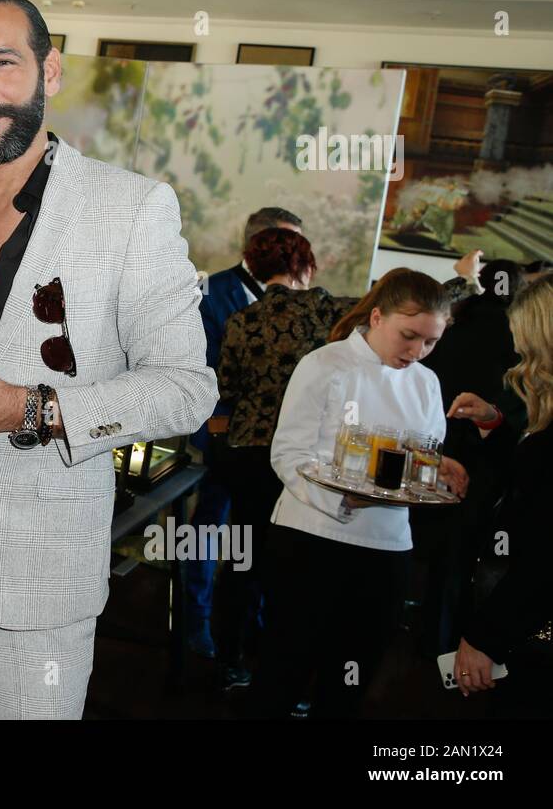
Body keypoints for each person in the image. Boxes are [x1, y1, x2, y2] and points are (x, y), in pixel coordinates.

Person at [0, 0, 217, 720]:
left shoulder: (132, 209)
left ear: (49, 71)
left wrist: (26, 408)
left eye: (3, 62)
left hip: (38, 590)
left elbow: (187, 390)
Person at [215, 233, 479, 692]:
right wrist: (342, 498)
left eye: (431, 342)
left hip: (388, 545)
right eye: (409, 336)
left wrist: (439, 467)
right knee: (286, 667)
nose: (417, 352)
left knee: (354, 675)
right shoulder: (324, 365)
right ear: (377, 317)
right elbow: (288, 453)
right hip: (311, 538)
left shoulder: (428, 383)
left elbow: (417, 453)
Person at [188, 206, 302, 659]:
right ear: (254, 246)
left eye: (295, 246)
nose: (288, 255)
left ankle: (244, 628)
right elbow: (200, 370)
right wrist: (220, 434)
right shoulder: (211, 291)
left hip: (277, 447)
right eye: (280, 245)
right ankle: (197, 624)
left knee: (256, 541)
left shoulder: (304, 300)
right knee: (209, 529)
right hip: (222, 436)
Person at [449, 273, 553, 716]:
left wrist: (484, 637)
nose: (516, 354)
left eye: (521, 344)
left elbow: (544, 554)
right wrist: (495, 423)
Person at [415, 259, 525, 657]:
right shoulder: (519, 337)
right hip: (484, 454)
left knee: (419, 540)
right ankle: (442, 643)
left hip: (431, 443)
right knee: (459, 556)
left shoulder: (448, 326)